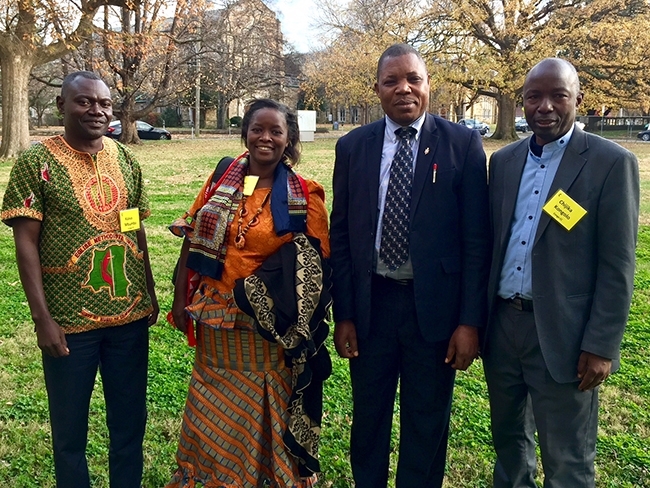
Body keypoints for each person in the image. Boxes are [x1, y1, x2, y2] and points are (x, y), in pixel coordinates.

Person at [329, 43, 491, 487]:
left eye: (413, 79)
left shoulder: (462, 144)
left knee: (427, 423)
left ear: (427, 84)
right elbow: (341, 236)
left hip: (434, 313)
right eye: (391, 81)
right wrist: (343, 313)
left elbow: (478, 242)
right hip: (371, 308)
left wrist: (469, 323)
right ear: (377, 89)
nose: (404, 89)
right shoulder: (353, 147)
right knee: (368, 420)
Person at [483, 58, 639, 487]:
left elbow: (618, 263)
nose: (545, 106)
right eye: (534, 96)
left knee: (567, 459)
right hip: (502, 328)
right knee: (509, 445)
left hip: (565, 336)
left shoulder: (610, 163)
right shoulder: (505, 161)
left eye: (558, 96)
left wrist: (602, 345)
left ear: (578, 101)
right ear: (522, 102)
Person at [1, 71, 159, 488]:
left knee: (129, 424)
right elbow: (26, 245)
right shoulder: (37, 162)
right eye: (84, 102)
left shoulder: (124, 158)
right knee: (69, 433)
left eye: (104, 103)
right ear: (61, 106)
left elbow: (135, 227)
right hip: (69, 324)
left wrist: (150, 290)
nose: (97, 110)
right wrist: (42, 320)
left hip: (129, 318)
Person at [166, 98, 331, 488]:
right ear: (245, 133)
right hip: (214, 320)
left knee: (262, 407)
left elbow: (315, 265)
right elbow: (191, 237)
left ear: (288, 139)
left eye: (276, 131)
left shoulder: (306, 194)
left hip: (266, 328)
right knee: (212, 409)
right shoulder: (223, 178)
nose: (266, 138)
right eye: (258, 129)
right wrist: (179, 298)